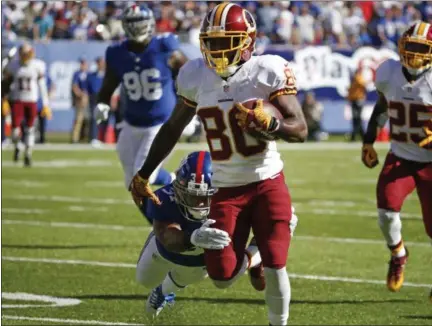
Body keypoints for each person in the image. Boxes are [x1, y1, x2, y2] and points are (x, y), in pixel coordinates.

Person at [130, 3, 307, 325]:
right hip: (224, 187)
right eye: (211, 42)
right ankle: (252, 256)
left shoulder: (267, 70)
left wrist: (271, 126)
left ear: (247, 42)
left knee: (276, 262)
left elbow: (300, 129)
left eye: (226, 41)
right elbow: (172, 128)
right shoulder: (195, 75)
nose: (218, 49)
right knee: (222, 276)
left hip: (266, 179)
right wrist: (143, 174)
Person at [137, 151, 286, 318]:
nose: (199, 203)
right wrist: (191, 237)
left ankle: (163, 292)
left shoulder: (230, 200)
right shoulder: (163, 197)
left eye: (204, 196)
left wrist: (279, 220)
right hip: (164, 250)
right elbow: (167, 237)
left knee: (187, 278)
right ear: (177, 186)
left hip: (199, 260)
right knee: (145, 280)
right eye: (192, 195)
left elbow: (258, 222)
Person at [361, 22, 432, 300]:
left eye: (421, 49)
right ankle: (398, 254)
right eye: (410, 47)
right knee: (386, 212)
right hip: (401, 155)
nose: (414, 55)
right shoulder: (389, 72)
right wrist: (368, 140)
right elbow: (382, 107)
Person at [95, 4, 187, 188]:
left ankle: (178, 181)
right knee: (132, 182)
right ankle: (156, 216)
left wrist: (187, 111)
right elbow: (108, 86)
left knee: (144, 176)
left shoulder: (164, 46)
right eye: (133, 22)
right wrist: (102, 103)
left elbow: (188, 76)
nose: (137, 27)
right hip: (131, 123)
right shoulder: (117, 53)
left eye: (140, 22)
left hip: (160, 123)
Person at [1, 43, 51, 166]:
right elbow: (4, 83)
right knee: (15, 130)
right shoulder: (13, 65)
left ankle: (28, 154)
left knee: (30, 129)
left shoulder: (37, 65)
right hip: (17, 99)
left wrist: (45, 104)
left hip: (32, 100)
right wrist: (4, 99)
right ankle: (18, 146)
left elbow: (42, 86)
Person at [87, 56, 105, 146]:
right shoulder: (91, 75)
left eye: (102, 62)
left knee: (103, 119)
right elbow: (89, 89)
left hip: (104, 99)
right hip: (94, 98)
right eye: (99, 62)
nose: (101, 64)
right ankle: (93, 138)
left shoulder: (106, 75)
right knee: (95, 118)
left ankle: (101, 138)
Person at [71, 57, 89, 144]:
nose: (83, 65)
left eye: (84, 63)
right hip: (80, 100)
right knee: (78, 120)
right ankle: (75, 138)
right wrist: (82, 95)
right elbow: (74, 87)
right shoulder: (77, 74)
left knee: (88, 120)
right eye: (82, 64)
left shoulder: (89, 74)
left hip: (89, 100)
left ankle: (86, 138)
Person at [347, 66, 367, 141]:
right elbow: (350, 91)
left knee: (357, 118)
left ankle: (354, 136)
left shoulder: (359, 78)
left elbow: (363, 84)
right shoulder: (353, 80)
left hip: (358, 100)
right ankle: (361, 136)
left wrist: (356, 78)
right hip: (353, 100)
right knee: (356, 119)